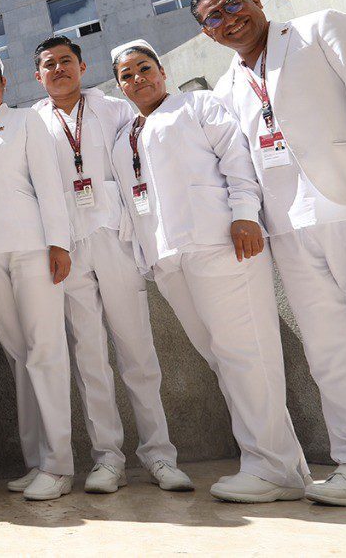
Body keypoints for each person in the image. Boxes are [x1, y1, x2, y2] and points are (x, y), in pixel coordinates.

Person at [193, 0, 346, 506]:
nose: (228, 19)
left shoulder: (320, 28)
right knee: (329, 351)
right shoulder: (226, 88)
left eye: (233, 4)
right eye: (213, 18)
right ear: (207, 34)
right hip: (287, 226)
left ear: (256, 0)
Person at [110, 40, 309, 503]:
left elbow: (237, 159)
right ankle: (281, 465)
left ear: (161, 70)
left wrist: (245, 213)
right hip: (168, 259)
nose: (137, 79)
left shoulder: (198, 104)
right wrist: (148, 256)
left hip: (221, 243)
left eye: (144, 68)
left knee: (247, 355)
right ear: (120, 87)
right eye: (127, 75)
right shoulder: (126, 135)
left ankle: (271, 467)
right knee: (223, 359)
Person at [31, 37, 191, 494]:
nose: (59, 69)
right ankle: (107, 459)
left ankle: (159, 454)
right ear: (37, 76)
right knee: (89, 356)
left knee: (137, 350)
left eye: (66, 61)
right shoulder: (33, 122)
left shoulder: (114, 108)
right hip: (66, 247)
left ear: (82, 67)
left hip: (116, 237)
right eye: (49, 65)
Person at [0, 49, 74, 501]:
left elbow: (49, 185)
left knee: (45, 350)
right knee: (18, 355)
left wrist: (59, 243)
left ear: (4, 82)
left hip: (31, 246)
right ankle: (37, 461)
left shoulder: (28, 121)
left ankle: (59, 464)